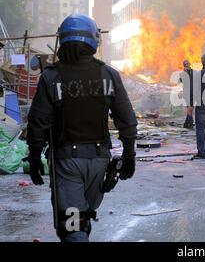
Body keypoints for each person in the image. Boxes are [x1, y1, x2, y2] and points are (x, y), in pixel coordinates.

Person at [25, 14, 138, 242]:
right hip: (99, 161)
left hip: (67, 162)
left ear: (63, 40)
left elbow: (38, 122)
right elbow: (126, 119)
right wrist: (129, 154)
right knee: (82, 217)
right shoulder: (108, 74)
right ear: (93, 40)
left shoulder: (51, 76)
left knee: (72, 226)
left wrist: (35, 157)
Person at [180, 59, 194, 129]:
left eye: (188, 63)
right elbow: (181, 80)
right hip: (187, 92)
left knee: (191, 108)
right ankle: (190, 123)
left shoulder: (193, 72)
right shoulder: (182, 73)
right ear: (184, 65)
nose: (187, 65)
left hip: (193, 92)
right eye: (186, 64)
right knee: (189, 108)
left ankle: (187, 123)